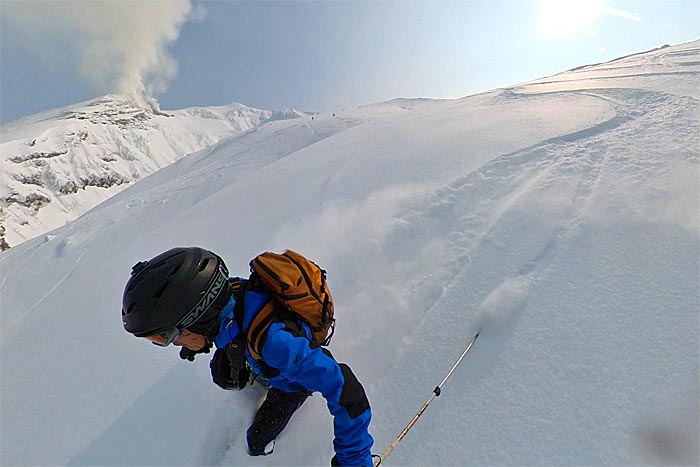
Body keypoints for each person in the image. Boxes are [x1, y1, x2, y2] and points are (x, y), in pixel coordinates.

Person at [121, 247, 374, 466]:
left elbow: (346, 391)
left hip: (290, 380)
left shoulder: (275, 344)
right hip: (248, 348)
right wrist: (197, 341)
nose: (170, 344)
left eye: (164, 337)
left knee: (256, 442)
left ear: (194, 318)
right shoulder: (229, 296)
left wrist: (354, 461)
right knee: (224, 375)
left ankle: (292, 393)